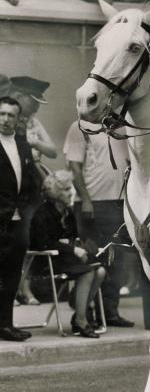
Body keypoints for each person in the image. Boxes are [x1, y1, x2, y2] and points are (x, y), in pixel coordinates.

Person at [64, 121, 134, 327]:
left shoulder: (123, 128)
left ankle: (110, 312)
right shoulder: (79, 127)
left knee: (117, 258)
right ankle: (84, 314)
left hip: (119, 202)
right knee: (93, 258)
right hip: (91, 203)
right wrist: (85, 199)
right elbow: (74, 168)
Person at [30, 170, 106, 338]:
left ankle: (78, 306)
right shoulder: (43, 213)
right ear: (55, 192)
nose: (71, 192)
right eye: (66, 189)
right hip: (47, 261)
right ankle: (81, 319)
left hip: (65, 258)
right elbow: (44, 243)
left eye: (70, 189)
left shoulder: (68, 213)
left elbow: (70, 238)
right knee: (88, 272)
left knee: (100, 271)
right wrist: (71, 248)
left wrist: (78, 246)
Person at [10, 76, 57, 305]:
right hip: (11, 187)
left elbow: (52, 151)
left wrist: (33, 142)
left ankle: (23, 287)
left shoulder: (33, 123)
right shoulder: (7, 118)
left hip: (31, 185)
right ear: (20, 98)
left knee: (27, 240)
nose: (37, 106)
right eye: (34, 101)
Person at [0, 96, 37, 341]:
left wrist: (26, 216)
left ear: (18, 119)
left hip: (17, 224)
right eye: (1, 114)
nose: (5, 119)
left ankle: (6, 325)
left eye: (10, 115)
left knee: (12, 276)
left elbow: (32, 185)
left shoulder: (23, 146)